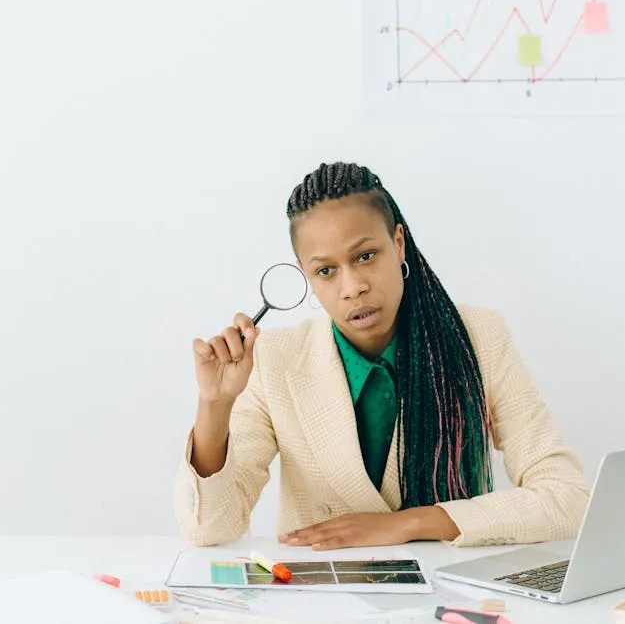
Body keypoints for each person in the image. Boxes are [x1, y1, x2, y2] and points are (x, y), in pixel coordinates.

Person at [173, 162, 590, 550]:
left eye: (365, 256)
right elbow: (210, 529)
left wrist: (410, 523)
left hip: (451, 597)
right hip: (325, 599)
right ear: (307, 277)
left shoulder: (477, 336)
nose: (352, 286)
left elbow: (568, 498)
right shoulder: (274, 360)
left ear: (399, 243)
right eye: (326, 271)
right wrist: (215, 404)